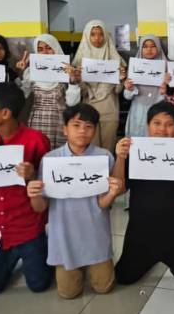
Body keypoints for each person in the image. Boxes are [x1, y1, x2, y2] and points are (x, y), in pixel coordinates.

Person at [27, 103, 124, 299]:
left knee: (104, 287)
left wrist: (112, 194)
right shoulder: (51, 160)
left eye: (89, 127)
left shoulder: (103, 157)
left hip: (95, 234)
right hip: (64, 236)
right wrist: (34, 194)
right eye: (76, 125)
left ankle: (93, 265)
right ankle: (75, 268)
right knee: (68, 293)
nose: (82, 131)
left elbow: (103, 204)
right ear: (65, 129)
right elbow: (40, 207)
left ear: (95, 131)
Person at [0, 82, 52, 295]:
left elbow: (47, 186)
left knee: (39, 285)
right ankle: (9, 255)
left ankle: (35, 249)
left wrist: (32, 175)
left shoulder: (36, 140)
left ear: (5, 113)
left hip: (28, 226)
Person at [112, 102, 174, 289]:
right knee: (123, 277)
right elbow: (119, 190)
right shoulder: (135, 153)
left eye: (169, 124)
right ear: (148, 125)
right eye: (157, 123)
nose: (162, 129)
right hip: (140, 231)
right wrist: (120, 157)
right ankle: (150, 258)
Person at [15, 34, 80, 149]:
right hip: (37, 120)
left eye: (49, 48)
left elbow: (72, 103)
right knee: (39, 150)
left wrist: (73, 81)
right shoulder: (30, 72)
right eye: (40, 49)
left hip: (59, 120)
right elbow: (22, 97)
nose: (44, 52)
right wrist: (22, 74)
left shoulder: (67, 71)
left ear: (56, 48)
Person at [72, 20, 127, 151]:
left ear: (106, 36)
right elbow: (81, 93)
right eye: (93, 34)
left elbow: (118, 90)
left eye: (101, 34)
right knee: (90, 150)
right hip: (88, 109)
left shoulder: (115, 59)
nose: (97, 38)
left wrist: (121, 79)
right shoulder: (79, 61)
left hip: (110, 109)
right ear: (87, 36)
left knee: (109, 149)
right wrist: (78, 79)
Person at [123, 35, 170, 138]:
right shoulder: (135, 68)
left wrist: (166, 90)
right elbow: (127, 96)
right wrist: (129, 88)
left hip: (159, 111)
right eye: (145, 46)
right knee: (137, 141)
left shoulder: (167, 69)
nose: (149, 50)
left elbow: (172, 97)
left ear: (158, 47)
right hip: (138, 111)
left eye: (153, 46)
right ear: (141, 48)